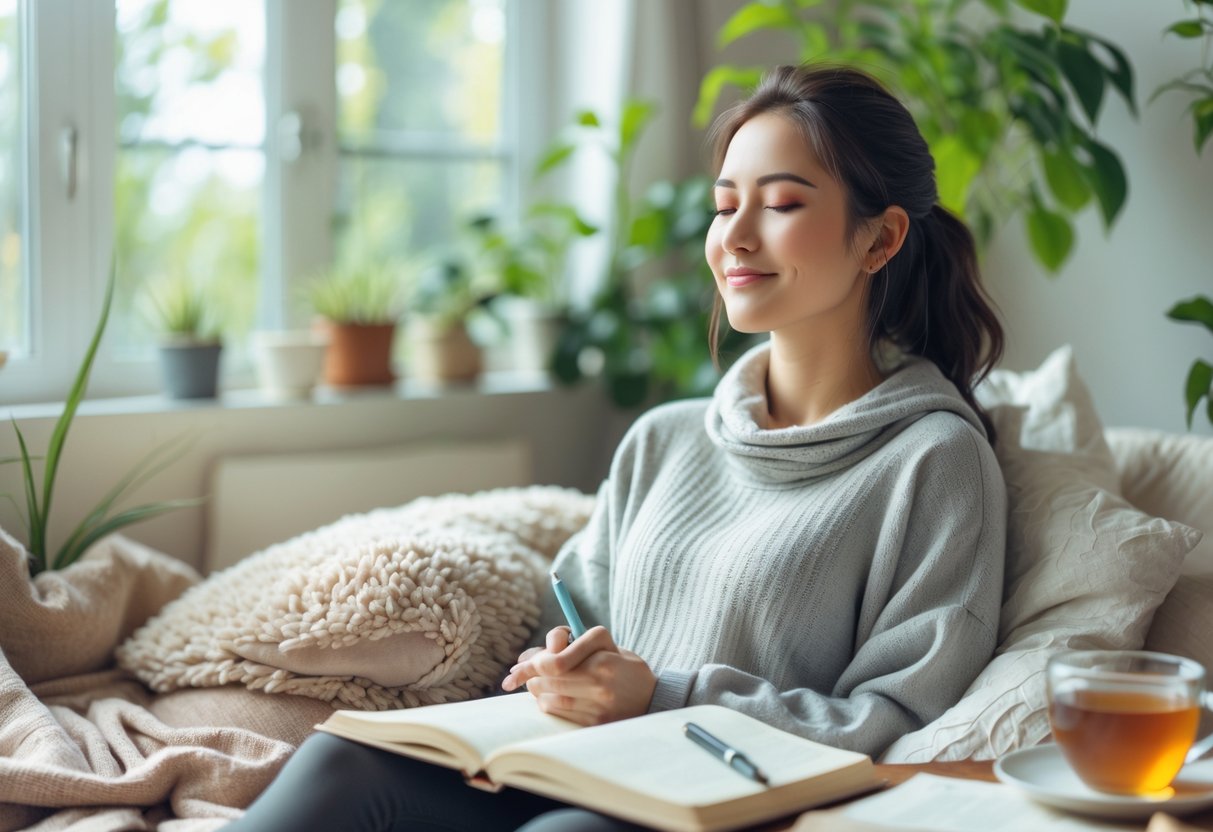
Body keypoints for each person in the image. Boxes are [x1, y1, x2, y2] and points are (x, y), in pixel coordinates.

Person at [226, 62, 1007, 832]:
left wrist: (660, 696)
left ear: (880, 240)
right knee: (339, 762)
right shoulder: (662, 440)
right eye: (724, 204)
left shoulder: (932, 461)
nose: (733, 236)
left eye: (780, 205)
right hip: (575, 762)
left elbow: (900, 720)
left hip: (726, 802)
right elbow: (569, 612)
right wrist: (560, 665)